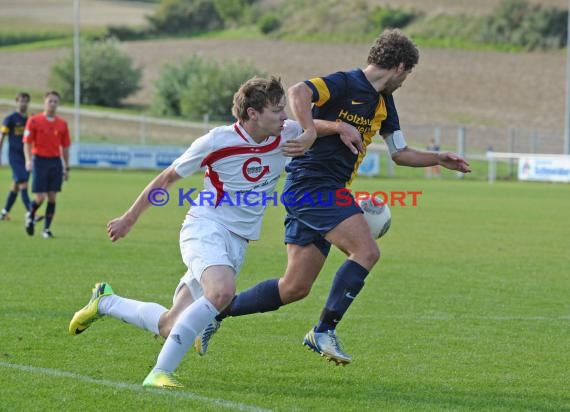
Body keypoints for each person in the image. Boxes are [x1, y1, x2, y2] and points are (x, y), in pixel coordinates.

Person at [196, 29, 471, 365]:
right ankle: (324, 330)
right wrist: (318, 129)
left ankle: (215, 314)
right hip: (312, 186)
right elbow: (299, 92)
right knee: (366, 250)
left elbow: (399, 152)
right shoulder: (345, 82)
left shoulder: (385, 104)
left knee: (294, 287)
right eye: (408, 74)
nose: (405, 81)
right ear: (400, 66)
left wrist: (439, 158)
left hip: (326, 190)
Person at [67, 77, 326, 388]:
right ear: (253, 113)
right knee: (221, 292)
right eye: (276, 110)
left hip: (237, 243)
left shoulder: (287, 134)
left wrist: (337, 129)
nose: (285, 117)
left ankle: (105, 302)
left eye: (284, 110)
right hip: (206, 228)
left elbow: (316, 127)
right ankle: (158, 374)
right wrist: (129, 219)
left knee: (171, 324)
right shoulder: (216, 141)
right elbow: (166, 179)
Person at [23, 90, 71, 238]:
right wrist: (28, 160)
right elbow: (27, 142)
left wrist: (66, 167)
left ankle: (46, 229)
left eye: (55, 101)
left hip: (55, 162)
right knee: (41, 197)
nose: (53, 104)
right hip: (39, 161)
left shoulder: (62, 124)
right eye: (50, 101)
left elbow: (66, 147)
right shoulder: (34, 120)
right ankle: (30, 214)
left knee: (52, 197)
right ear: (44, 102)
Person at [0, 92, 33, 221]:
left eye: (26, 101)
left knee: (16, 186)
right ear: (17, 102)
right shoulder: (10, 119)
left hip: (27, 157)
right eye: (21, 101)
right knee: (23, 183)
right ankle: (31, 212)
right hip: (15, 157)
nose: (23, 103)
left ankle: (4, 212)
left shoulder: (30, 119)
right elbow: (2, 136)